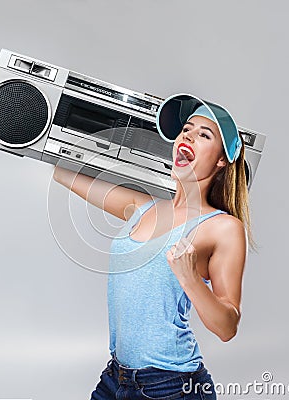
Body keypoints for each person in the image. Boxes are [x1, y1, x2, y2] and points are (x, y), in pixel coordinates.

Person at [53, 94, 252, 399]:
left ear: (222, 159)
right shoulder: (142, 206)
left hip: (170, 386)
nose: (188, 135)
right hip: (115, 378)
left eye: (204, 134)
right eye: (186, 129)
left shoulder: (223, 227)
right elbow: (62, 170)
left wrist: (189, 279)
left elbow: (227, 327)